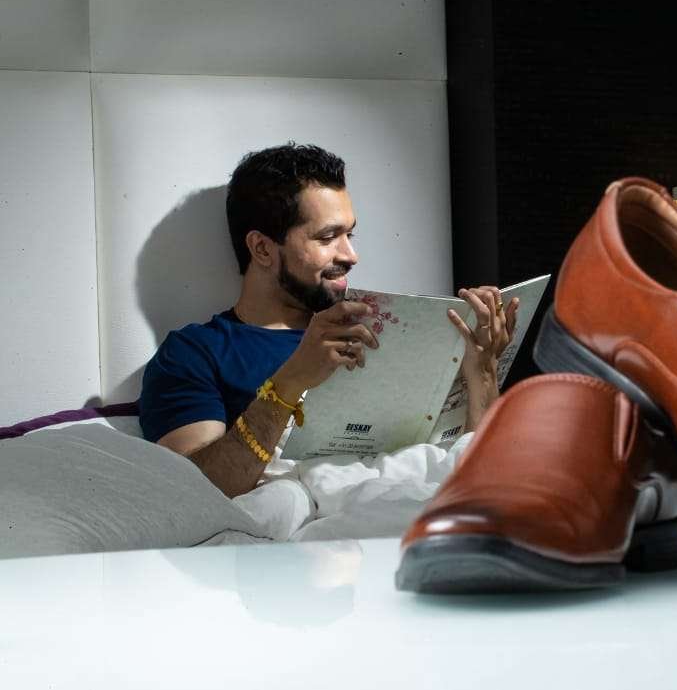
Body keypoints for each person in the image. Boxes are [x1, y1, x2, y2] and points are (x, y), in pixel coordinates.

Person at [137, 143, 518, 498]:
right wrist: (290, 382)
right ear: (262, 248)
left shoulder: (384, 331)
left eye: (350, 234)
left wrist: (483, 372)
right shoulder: (195, 353)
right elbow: (198, 493)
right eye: (327, 237)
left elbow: (476, 473)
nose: (351, 255)